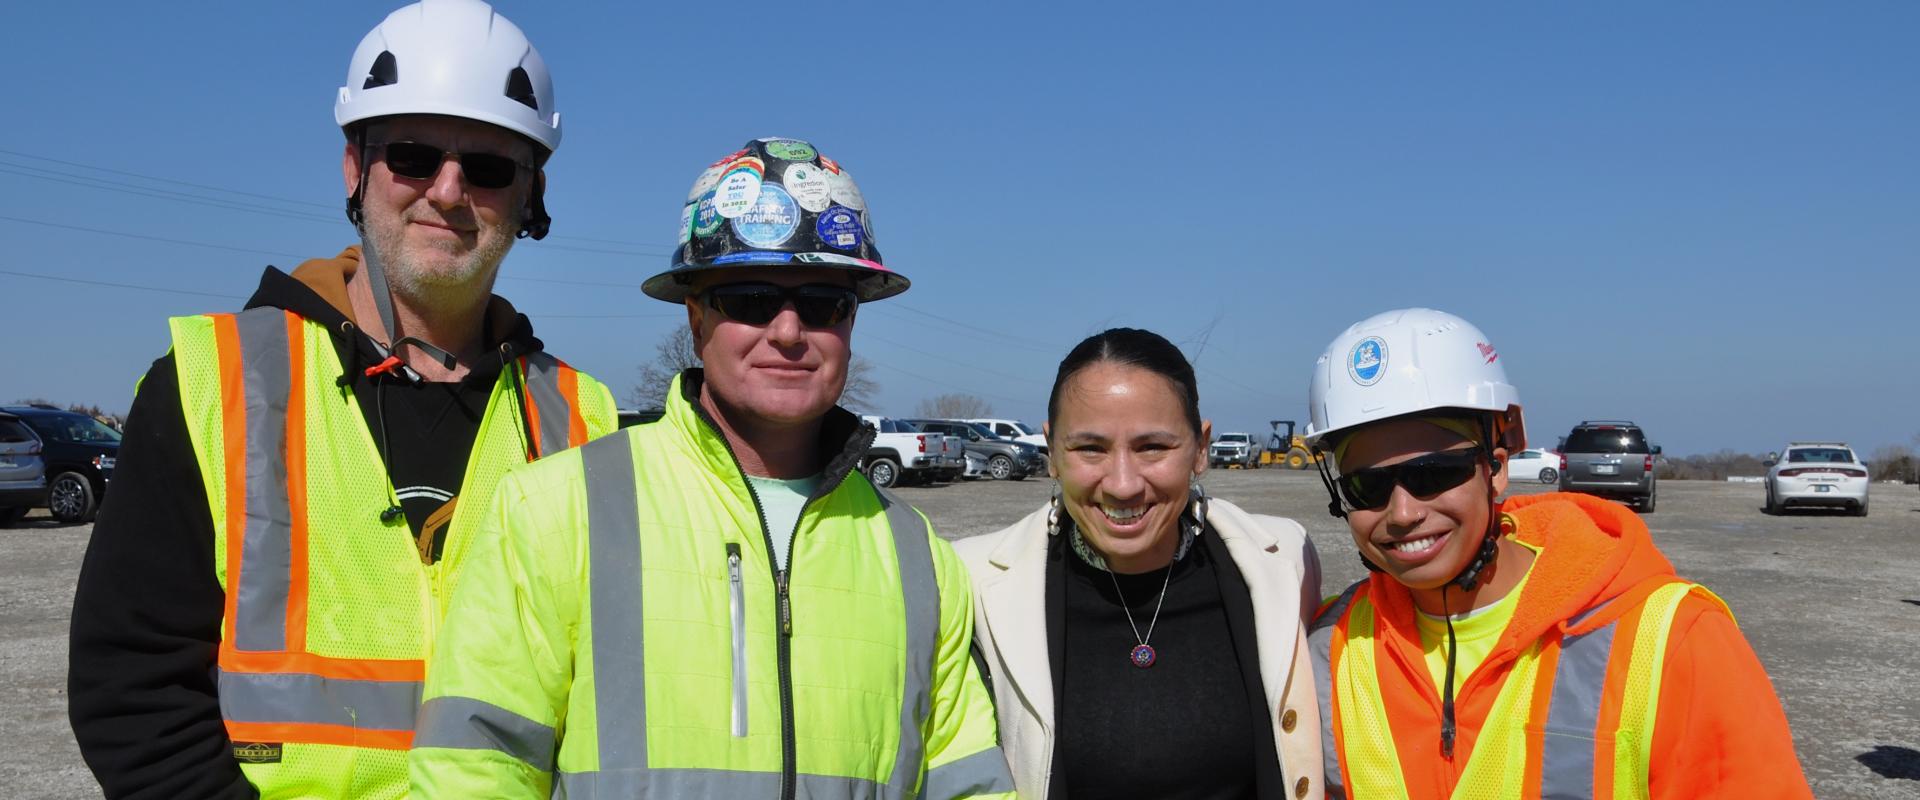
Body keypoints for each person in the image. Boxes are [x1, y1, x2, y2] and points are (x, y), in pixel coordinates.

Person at [66, 1, 618, 797]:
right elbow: (133, 686)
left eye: (491, 168)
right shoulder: (212, 383)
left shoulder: (584, 419)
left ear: (531, 196)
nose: (449, 190)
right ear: (356, 170)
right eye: (413, 155)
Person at [408, 138, 1015, 799]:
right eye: (750, 300)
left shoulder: (917, 556)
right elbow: (473, 768)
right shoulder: (555, 511)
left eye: (822, 303)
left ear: (851, 323)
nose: (787, 331)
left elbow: (966, 784)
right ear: (696, 321)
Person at [1302, 308, 1811, 799]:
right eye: (1367, 486)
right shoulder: (1328, 649)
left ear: (1496, 468)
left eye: (1432, 474)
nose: (1402, 512)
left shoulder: (1671, 641)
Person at [955, 328, 1325, 799]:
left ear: (1200, 448)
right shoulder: (975, 582)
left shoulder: (1284, 559)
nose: (1124, 485)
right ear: (1052, 453)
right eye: (1091, 448)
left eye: (1153, 447)